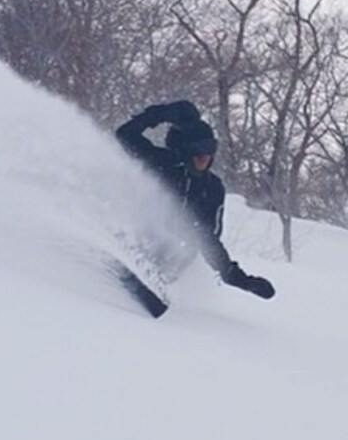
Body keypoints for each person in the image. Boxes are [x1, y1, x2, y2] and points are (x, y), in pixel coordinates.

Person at [115, 99, 275, 299]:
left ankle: (156, 283)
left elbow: (208, 238)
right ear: (185, 152)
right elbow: (124, 135)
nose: (203, 160)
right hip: (137, 239)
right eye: (198, 155)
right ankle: (133, 266)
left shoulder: (212, 188)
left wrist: (236, 278)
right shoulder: (160, 163)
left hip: (173, 256)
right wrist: (158, 114)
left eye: (208, 155)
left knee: (187, 241)